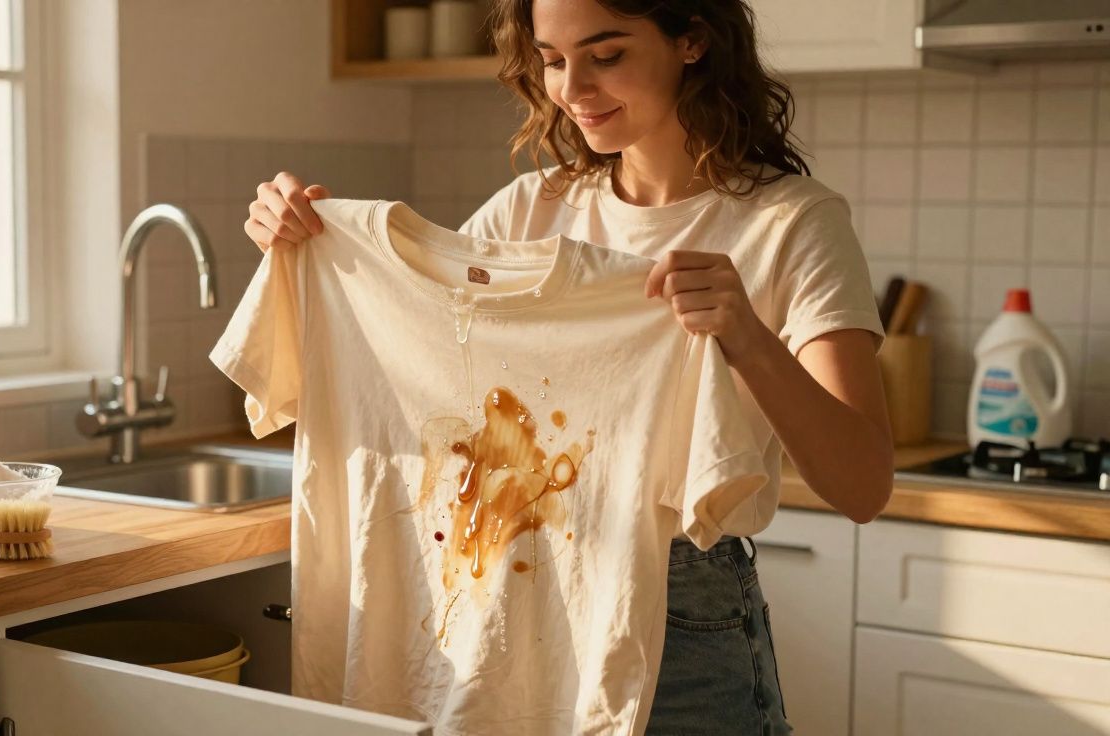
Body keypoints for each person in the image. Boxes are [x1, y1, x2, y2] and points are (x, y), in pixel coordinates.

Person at [242, 0, 894, 732]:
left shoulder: (794, 223)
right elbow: (425, 379)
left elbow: (863, 486)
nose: (573, 88)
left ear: (691, 40)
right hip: (512, 594)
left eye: (606, 55)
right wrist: (313, 254)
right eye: (553, 60)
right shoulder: (528, 212)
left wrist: (746, 335)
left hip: (683, 617)